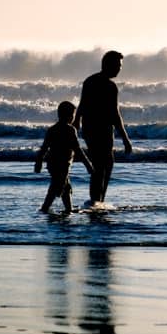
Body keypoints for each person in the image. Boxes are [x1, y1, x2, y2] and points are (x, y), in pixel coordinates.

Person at [74, 50, 132, 204]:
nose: (120, 69)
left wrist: (77, 121)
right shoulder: (110, 86)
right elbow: (115, 114)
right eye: (118, 65)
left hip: (90, 129)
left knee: (103, 164)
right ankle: (97, 200)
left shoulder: (90, 81)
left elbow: (81, 105)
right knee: (103, 165)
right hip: (101, 130)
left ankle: (98, 200)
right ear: (109, 64)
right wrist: (125, 139)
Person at [35, 101, 93, 213]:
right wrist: (88, 165)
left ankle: (68, 209)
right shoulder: (70, 130)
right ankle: (45, 208)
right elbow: (78, 149)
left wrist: (39, 162)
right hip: (63, 164)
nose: (73, 118)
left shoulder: (52, 129)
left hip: (52, 163)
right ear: (67, 115)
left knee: (65, 187)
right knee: (57, 188)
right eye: (72, 115)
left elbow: (44, 148)